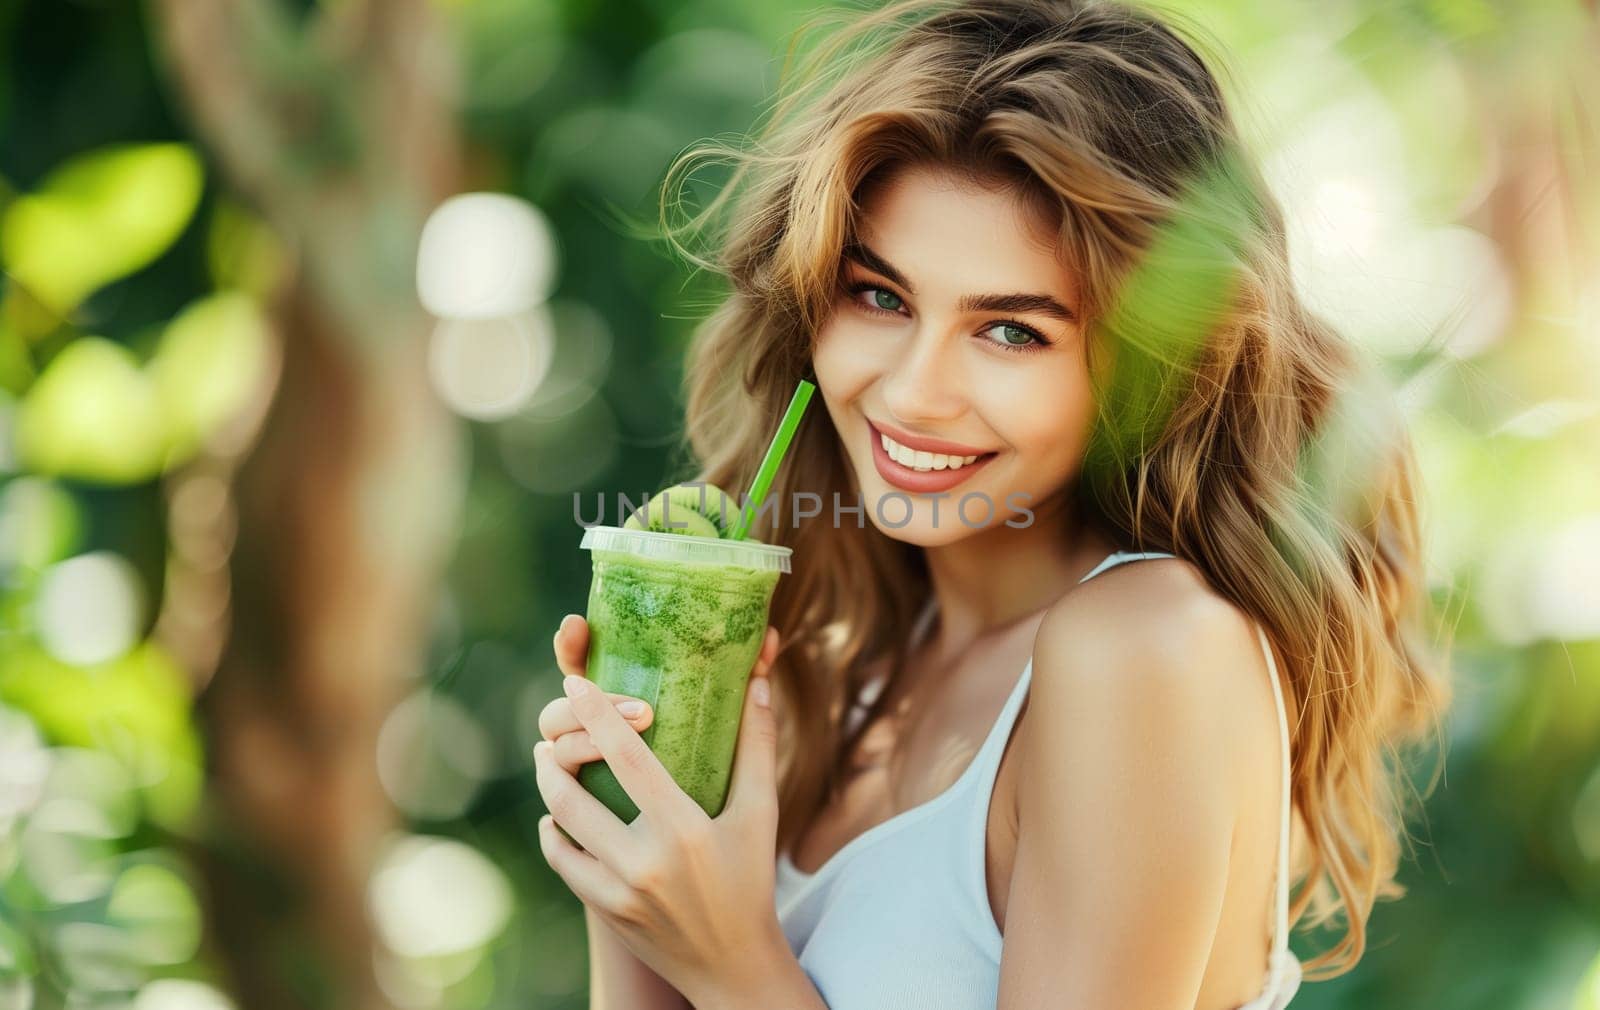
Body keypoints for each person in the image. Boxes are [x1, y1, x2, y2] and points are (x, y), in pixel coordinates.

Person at [531, 1, 1452, 1007]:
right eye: (878, 295)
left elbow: (735, 973)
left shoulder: (1144, 646)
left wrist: (735, 961)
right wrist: (629, 849)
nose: (913, 391)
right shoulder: (843, 672)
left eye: (1011, 331)